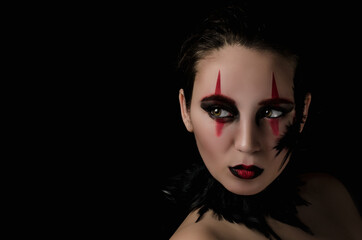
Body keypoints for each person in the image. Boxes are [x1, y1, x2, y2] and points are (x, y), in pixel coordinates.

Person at [163, 1, 362, 240]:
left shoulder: (331, 195)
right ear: (185, 110)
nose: (247, 144)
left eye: (271, 113)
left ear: (303, 112)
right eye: (218, 111)